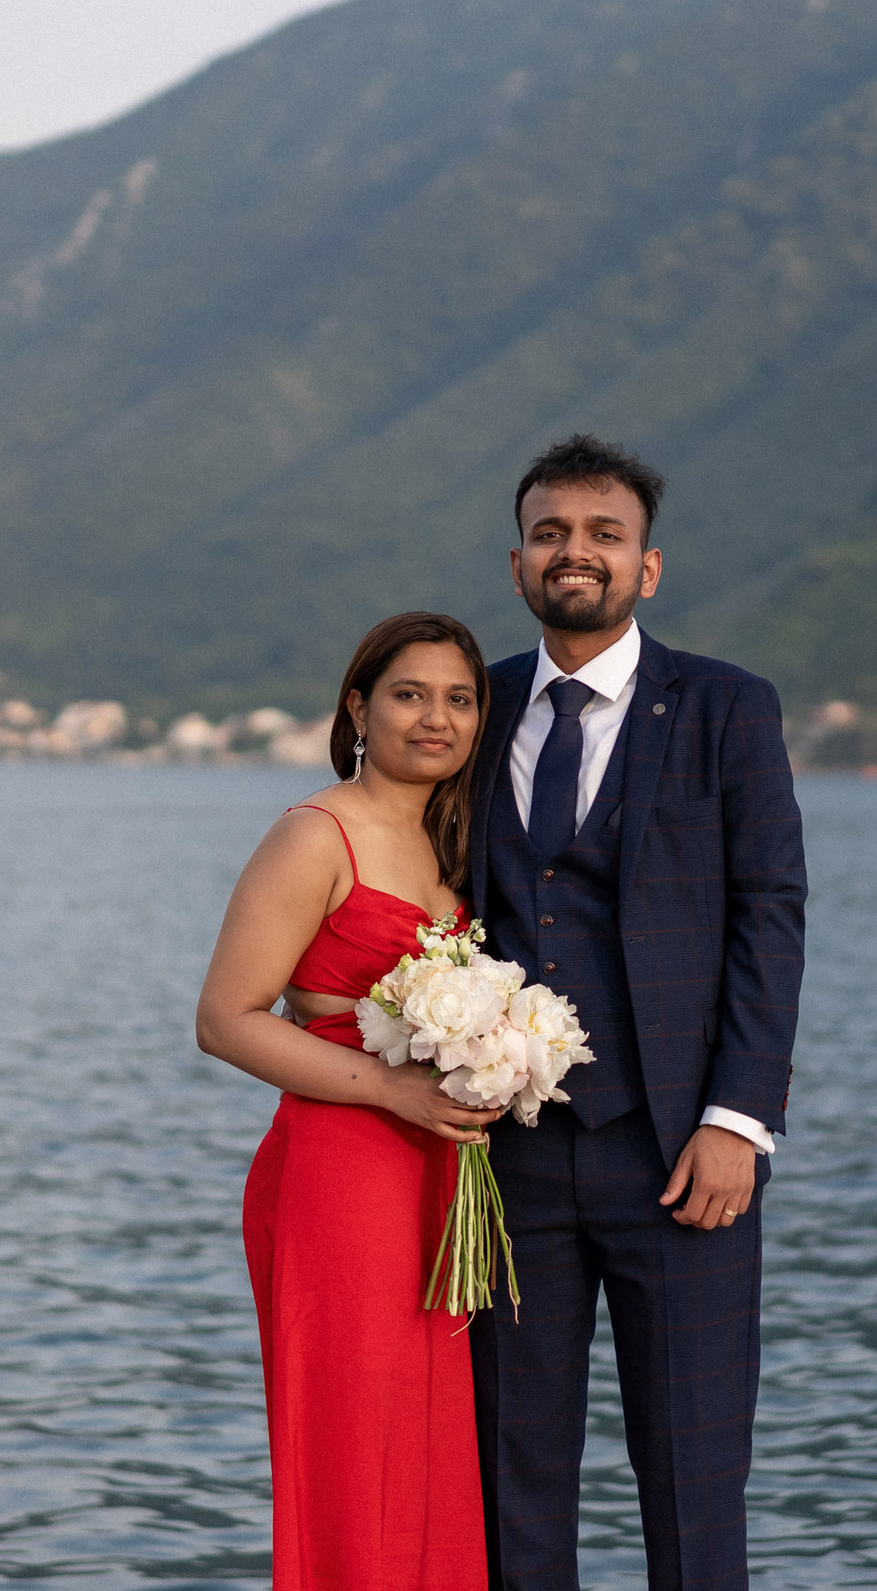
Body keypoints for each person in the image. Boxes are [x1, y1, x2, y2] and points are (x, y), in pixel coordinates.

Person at [469, 435, 808, 1591]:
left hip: (677, 1156)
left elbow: (770, 912)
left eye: (604, 534)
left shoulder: (724, 708)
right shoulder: (475, 705)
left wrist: (738, 1121)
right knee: (511, 1483)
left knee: (694, 1479)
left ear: (646, 568)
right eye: (553, 533)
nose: (578, 553)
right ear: (517, 564)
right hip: (504, 1166)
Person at [196, 611, 503, 1591]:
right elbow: (226, 1018)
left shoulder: (453, 850)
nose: (436, 719)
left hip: (437, 1180)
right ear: (357, 708)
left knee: (428, 1446)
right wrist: (390, 1092)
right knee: (349, 1445)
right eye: (409, 695)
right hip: (339, 1176)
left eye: (459, 699)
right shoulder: (312, 835)